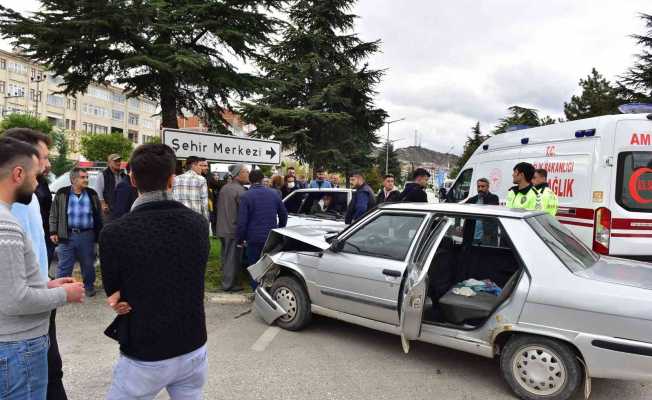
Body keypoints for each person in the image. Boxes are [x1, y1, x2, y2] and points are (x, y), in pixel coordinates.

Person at [100, 144, 209, 400]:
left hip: (146, 350)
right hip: (193, 343)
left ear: (132, 178)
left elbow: (114, 293)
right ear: (172, 180)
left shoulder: (115, 233)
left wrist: (118, 298)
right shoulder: (199, 224)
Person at [0, 137, 85, 400]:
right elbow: (14, 300)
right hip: (18, 348)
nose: (38, 183)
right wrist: (64, 295)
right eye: (35, 174)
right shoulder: (7, 226)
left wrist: (46, 285)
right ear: (18, 174)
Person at [50, 167, 103, 297]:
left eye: (87, 177)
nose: (86, 179)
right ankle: (61, 290)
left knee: (88, 264)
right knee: (64, 265)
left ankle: (88, 287)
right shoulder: (62, 193)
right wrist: (53, 231)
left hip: (87, 235)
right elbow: (54, 214)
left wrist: (99, 234)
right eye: (83, 177)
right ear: (74, 179)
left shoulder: (92, 194)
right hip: (66, 234)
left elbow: (98, 215)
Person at [237, 169, 288, 286]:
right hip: (271, 236)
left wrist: (240, 239)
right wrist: (279, 230)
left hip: (253, 237)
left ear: (250, 180)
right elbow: (283, 214)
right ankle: (267, 290)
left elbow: (242, 221)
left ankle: (257, 292)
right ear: (262, 179)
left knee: (254, 265)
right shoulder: (274, 194)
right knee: (268, 265)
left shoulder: (246, 196)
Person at [216, 163, 249, 292]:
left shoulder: (225, 188)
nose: (247, 174)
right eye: (245, 172)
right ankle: (228, 285)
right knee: (232, 259)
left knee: (226, 257)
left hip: (222, 228)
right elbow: (243, 213)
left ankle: (228, 282)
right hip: (232, 230)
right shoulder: (240, 191)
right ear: (237, 175)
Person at [173, 156, 209, 221]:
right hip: (195, 219)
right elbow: (204, 204)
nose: (201, 168)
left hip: (178, 218)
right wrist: (206, 221)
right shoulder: (201, 179)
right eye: (200, 165)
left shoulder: (176, 179)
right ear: (193, 165)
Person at [465, 178, 500, 244]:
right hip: (473, 237)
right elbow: (461, 209)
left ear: (488, 187)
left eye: (483, 186)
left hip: (487, 237)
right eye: (478, 187)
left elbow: (490, 211)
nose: (480, 189)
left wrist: (482, 197)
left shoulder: (493, 198)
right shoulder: (472, 200)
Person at [96, 153, 127, 220]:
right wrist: (103, 204)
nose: (118, 163)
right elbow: (98, 192)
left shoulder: (123, 175)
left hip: (122, 210)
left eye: (119, 161)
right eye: (115, 161)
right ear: (109, 163)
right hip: (108, 210)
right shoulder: (103, 175)